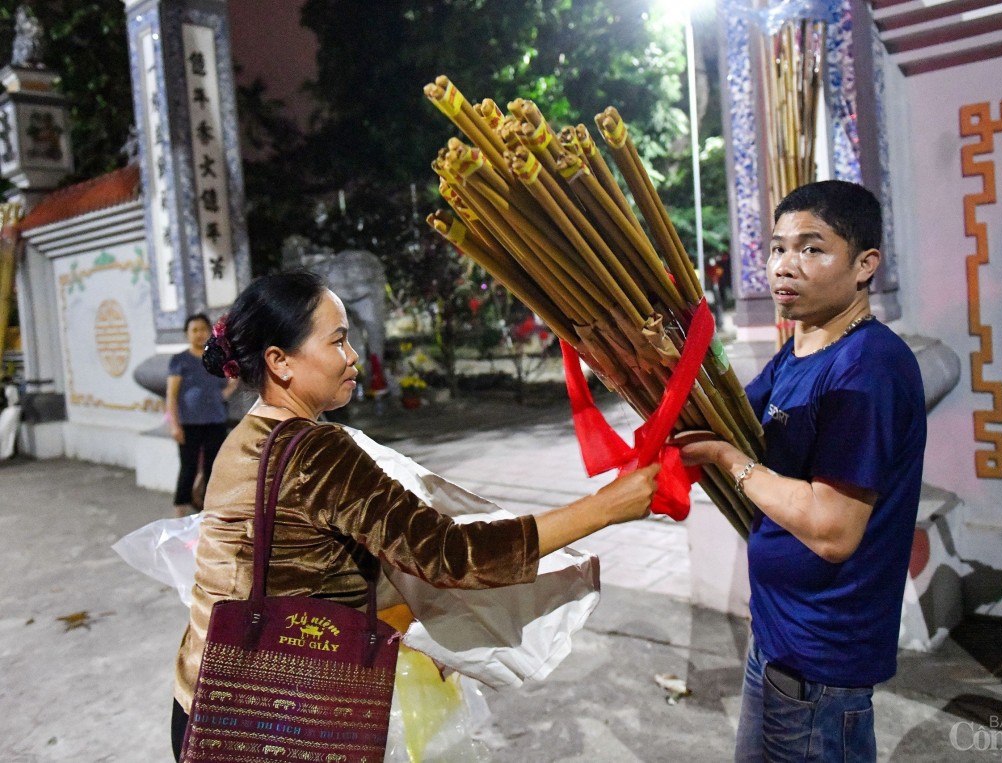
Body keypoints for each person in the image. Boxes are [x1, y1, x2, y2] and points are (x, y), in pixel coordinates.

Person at [170, 270, 659, 758]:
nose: (353, 356)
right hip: (277, 723)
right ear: (280, 362)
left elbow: (296, 570)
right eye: (338, 341)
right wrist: (606, 507)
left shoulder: (248, 437)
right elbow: (452, 555)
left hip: (208, 701)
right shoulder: (315, 452)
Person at [678, 180, 926, 762]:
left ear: (865, 265)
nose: (785, 265)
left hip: (821, 664)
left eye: (812, 249)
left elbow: (832, 530)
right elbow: (735, 413)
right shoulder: (803, 347)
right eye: (778, 247)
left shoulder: (868, 370)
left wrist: (727, 460)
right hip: (779, 642)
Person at [166, 313, 237, 516]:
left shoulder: (216, 359)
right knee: (188, 468)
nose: (199, 334)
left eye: (202, 329)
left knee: (213, 467)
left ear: (209, 332)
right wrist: (174, 424)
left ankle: (209, 511)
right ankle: (179, 512)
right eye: (194, 330)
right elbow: (171, 395)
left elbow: (229, 382)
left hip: (216, 421)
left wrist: (224, 393)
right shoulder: (180, 360)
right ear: (187, 334)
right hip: (189, 423)